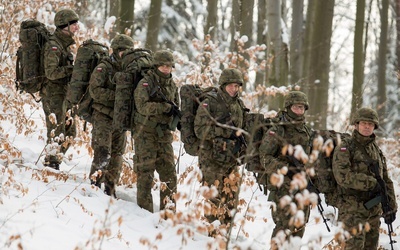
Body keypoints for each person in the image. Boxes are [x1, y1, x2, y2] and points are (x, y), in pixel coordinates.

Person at [332, 107, 397, 249]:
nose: (367, 127)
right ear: (356, 124)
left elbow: (385, 180)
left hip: (373, 212)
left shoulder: (376, 150)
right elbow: (342, 176)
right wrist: (370, 183)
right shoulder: (345, 147)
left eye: (371, 124)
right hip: (352, 212)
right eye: (364, 123)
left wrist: (391, 206)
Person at [194, 68, 249, 227]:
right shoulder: (210, 101)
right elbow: (200, 129)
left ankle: (225, 235)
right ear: (223, 85)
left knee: (231, 199)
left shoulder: (239, 104)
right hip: (211, 158)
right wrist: (225, 132)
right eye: (230, 85)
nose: (234, 89)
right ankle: (212, 237)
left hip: (231, 159)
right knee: (214, 198)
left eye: (237, 86)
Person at [259, 90, 313, 246]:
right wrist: (285, 169)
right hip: (283, 186)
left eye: (302, 108)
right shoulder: (277, 130)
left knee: (299, 227)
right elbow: (265, 157)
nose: (299, 111)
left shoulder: (307, 132)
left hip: (302, 186)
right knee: (283, 227)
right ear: (288, 107)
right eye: (296, 107)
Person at [133, 50, 180, 213]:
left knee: (170, 176)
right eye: (163, 66)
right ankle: (143, 213)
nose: (166, 69)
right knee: (145, 174)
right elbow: (142, 106)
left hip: (164, 136)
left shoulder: (173, 85)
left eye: (169, 66)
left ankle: (169, 213)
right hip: (145, 134)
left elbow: (176, 107)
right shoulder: (145, 83)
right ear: (156, 66)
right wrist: (163, 108)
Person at [88, 34, 135, 197]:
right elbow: (94, 91)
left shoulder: (130, 68)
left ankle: (110, 188)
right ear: (115, 51)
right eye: (122, 50)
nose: (125, 53)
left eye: (128, 51)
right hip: (103, 115)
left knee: (117, 154)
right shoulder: (104, 67)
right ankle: (94, 186)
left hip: (120, 118)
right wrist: (117, 95)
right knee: (102, 151)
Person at [42, 9, 79, 170]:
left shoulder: (65, 45)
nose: (77, 27)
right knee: (56, 132)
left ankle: (54, 160)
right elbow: (51, 73)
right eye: (74, 24)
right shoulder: (54, 46)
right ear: (65, 26)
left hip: (64, 93)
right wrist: (72, 70)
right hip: (53, 94)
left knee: (70, 133)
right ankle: (51, 166)